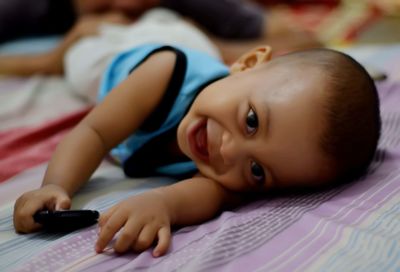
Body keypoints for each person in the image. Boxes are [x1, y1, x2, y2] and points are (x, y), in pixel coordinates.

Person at [13, 43, 381, 257]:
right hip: (114, 59)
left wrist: (161, 204)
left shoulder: (230, 178)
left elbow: (208, 195)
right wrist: (55, 185)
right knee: (78, 56)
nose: (229, 151)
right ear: (247, 64)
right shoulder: (164, 74)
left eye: (257, 170)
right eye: (251, 120)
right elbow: (94, 131)